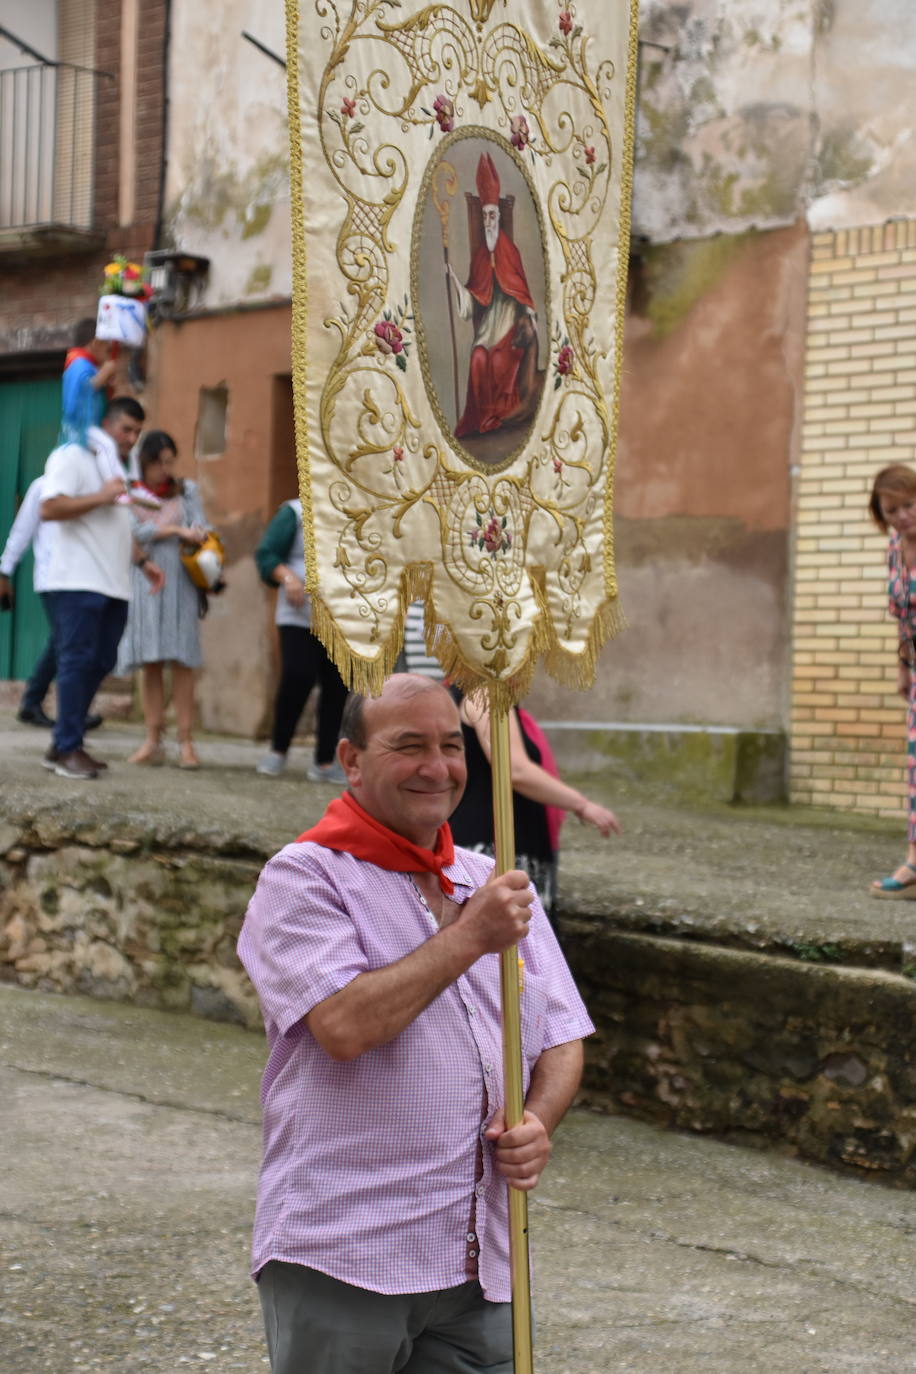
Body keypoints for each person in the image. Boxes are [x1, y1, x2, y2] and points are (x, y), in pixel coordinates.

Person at [238, 674, 593, 1374]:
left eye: (451, 746)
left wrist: (539, 1121)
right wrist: (469, 937)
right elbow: (343, 1027)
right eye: (408, 746)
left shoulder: (490, 878)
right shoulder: (305, 879)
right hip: (347, 1251)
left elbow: (560, 1034)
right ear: (351, 759)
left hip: (478, 1255)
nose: (437, 767)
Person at [40, 396, 164, 780]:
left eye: (137, 432)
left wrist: (143, 562)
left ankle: (64, 740)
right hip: (73, 579)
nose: (131, 438)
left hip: (113, 582)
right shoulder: (71, 455)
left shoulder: (118, 465)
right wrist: (102, 495)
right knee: (77, 660)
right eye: (125, 429)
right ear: (106, 424)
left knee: (102, 661)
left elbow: (116, 523)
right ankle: (66, 747)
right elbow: (50, 508)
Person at [449, 690, 621, 922]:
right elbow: (514, 769)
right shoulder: (487, 694)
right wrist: (581, 804)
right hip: (493, 844)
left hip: (505, 839)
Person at [116, 431, 207, 769]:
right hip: (146, 578)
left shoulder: (187, 490)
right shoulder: (131, 492)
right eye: (160, 463)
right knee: (151, 660)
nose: (166, 469)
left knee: (183, 660)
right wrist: (174, 530)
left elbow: (202, 525)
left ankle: (186, 742)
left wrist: (196, 532)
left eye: (170, 462)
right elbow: (130, 532)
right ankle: (153, 739)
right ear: (145, 462)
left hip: (181, 580)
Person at [447, 151, 543, 439]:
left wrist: (528, 317)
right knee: (477, 357)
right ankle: (481, 419)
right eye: (485, 216)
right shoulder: (479, 256)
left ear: (499, 218)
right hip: (488, 326)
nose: (488, 221)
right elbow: (472, 299)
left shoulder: (509, 252)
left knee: (500, 362)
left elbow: (522, 291)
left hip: (509, 326)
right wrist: (454, 280)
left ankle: (495, 416)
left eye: (492, 216)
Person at [254, 496, 348, 782]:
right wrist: (288, 577)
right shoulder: (294, 512)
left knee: (337, 685)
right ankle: (278, 749)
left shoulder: (356, 511)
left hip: (341, 617)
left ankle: (324, 761)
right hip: (299, 616)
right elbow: (266, 554)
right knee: (298, 677)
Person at [0, 475, 104, 732]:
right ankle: (65, 709)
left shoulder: (94, 487)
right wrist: (4, 571)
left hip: (86, 579)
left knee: (66, 640)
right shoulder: (43, 486)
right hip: (53, 579)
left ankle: (37, 703)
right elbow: (22, 530)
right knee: (68, 641)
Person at [869, 464, 916, 896]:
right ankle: (915, 863)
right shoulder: (893, 549)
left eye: (909, 504)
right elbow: (902, 613)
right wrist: (902, 664)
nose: (903, 515)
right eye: (892, 509)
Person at [60, 318, 118, 445]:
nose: (108, 356)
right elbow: (85, 388)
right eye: (107, 350)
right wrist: (104, 373)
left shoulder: (86, 364)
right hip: (81, 435)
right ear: (96, 344)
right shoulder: (80, 363)